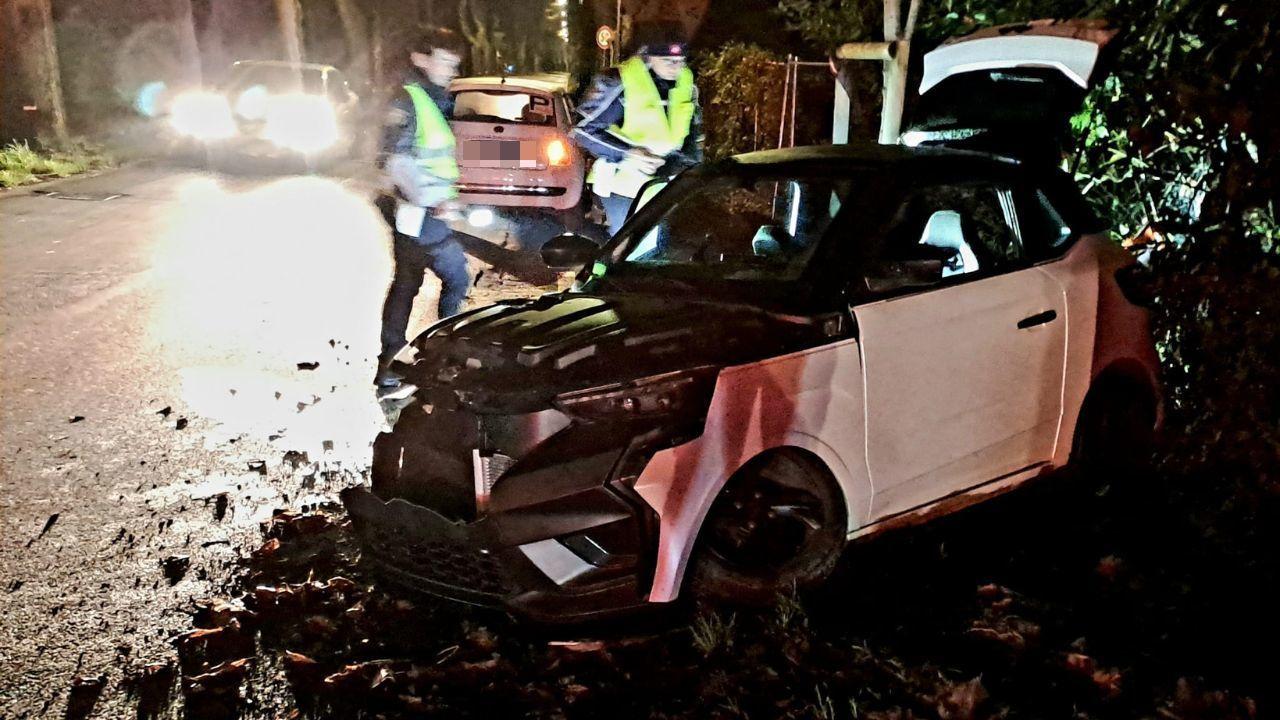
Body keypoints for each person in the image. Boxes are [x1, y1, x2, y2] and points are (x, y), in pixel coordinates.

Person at [375, 28, 469, 388]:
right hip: (420, 214)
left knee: (407, 282)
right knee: (456, 277)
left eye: (455, 65)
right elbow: (395, 160)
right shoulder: (408, 100)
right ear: (420, 59)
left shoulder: (431, 98)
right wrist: (434, 201)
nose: (451, 71)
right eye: (445, 62)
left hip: (420, 213)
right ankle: (444, 357)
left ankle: (391, 363)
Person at [572, 22, 704, 236]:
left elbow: (693, 138)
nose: (676, 67)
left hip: (666, 187)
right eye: (668, 60)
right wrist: (629, 153)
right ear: (650, 57)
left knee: (662, 246)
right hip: (623, 188)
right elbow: (583, 130)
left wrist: (693, 176)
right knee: (628, 245)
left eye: (681, 61)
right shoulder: (620, 81)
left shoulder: (687, 83)